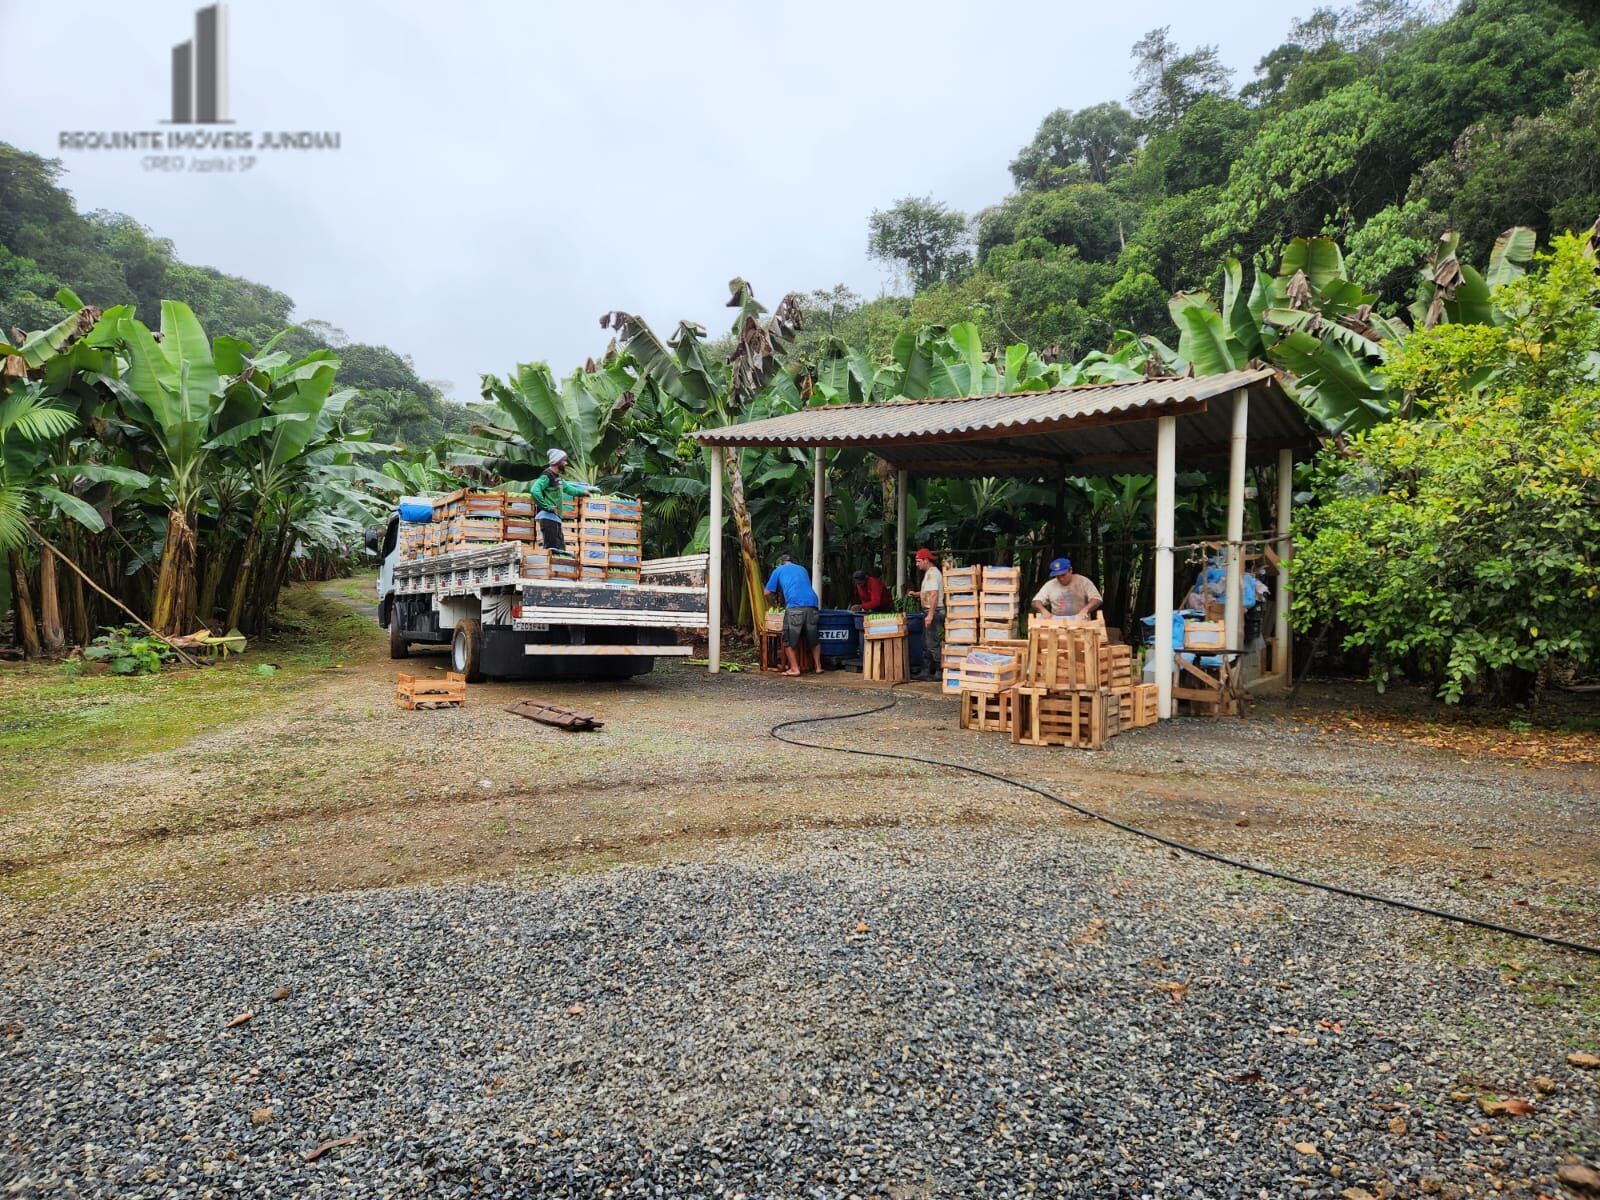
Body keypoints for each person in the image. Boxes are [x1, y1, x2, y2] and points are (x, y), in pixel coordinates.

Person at [764, 551, 822, 676]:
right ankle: (818, 667)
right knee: (813, 638)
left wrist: (772, 605)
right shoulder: (802, 569)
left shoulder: (778, 570)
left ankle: (795, 669)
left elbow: (767, 592)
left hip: (795, 606)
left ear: (781, 563)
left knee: (788, 640)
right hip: (812, 604)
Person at [530, 449, 595, 554]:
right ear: (557, 462)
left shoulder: (557, 478)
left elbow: (569, 489)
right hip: (548, 518)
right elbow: (534, 491)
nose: (566, 463)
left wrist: (583, 492)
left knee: (560, 550)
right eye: (564, 461)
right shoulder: (547, 476)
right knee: (551, 550)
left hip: (555, 519)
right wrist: (547, 507)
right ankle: (550, 570)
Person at [1031, 557, 1102, 619]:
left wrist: (1085, 610)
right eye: (1058, 576)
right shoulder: (1050, 585)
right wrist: (1043, 610)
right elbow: (1035, 601)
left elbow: (1097, 599)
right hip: (1057, 623)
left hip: (1080, 620)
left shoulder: (1083, 581)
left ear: (1070, 570)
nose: (1061, 578)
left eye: (1063, 575)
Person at [915, 548, 943, 678]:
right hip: (931, 610)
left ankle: (938, 671)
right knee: (927, 641)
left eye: (919, 561)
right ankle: (927, 670)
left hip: (933, 610)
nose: (917, 564)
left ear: (926, 560)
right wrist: (916, 594)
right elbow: (929, 592)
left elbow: (934, 594)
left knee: (932, 642)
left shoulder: (932, 574)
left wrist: (930, 615)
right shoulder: (930, 573)